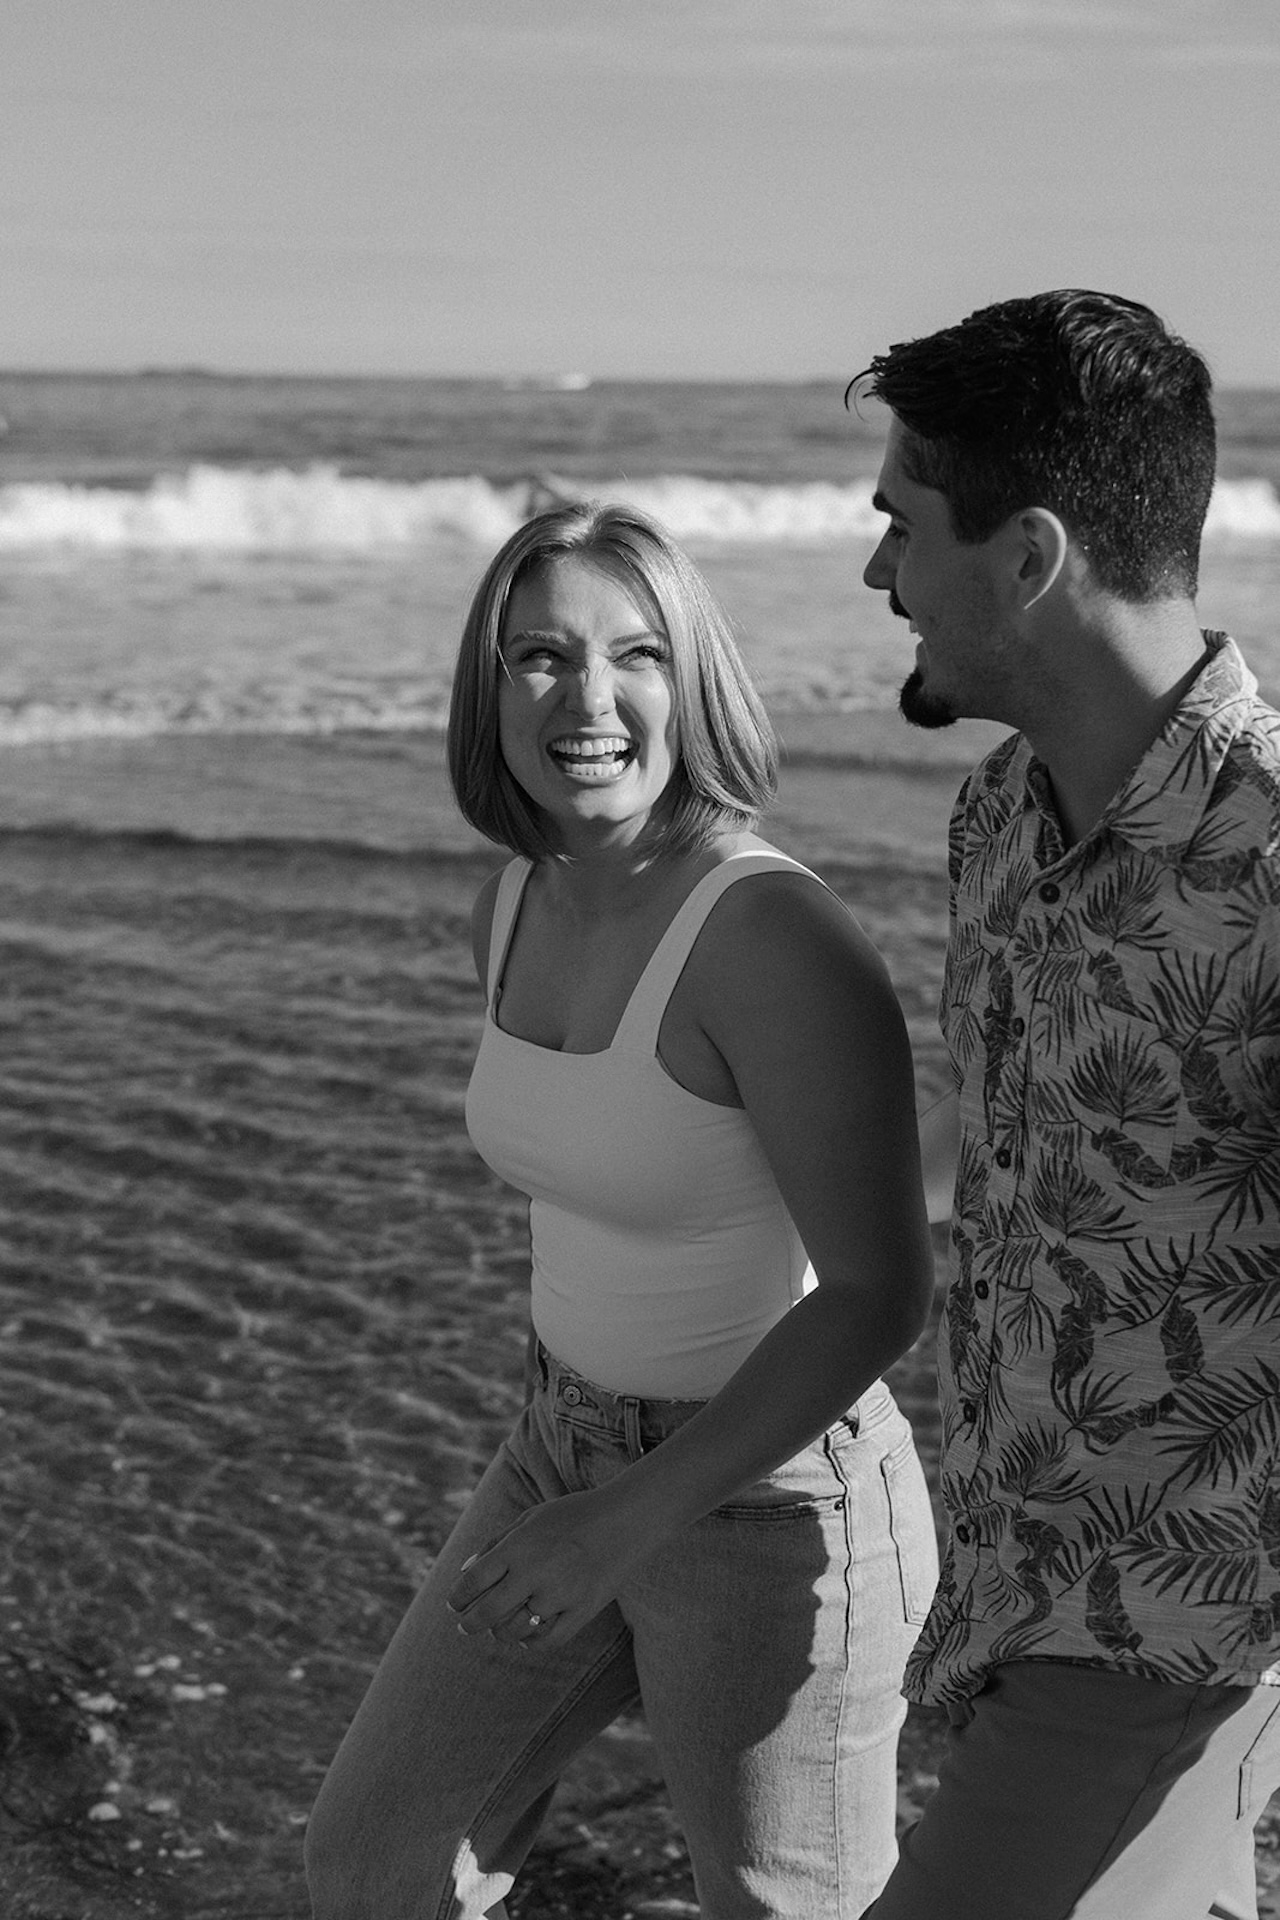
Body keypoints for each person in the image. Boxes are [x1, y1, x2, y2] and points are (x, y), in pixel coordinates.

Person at [303, 501, 939, 1920]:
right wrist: (587, 1501)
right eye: (540, 657)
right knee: (373, 1866)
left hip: (773, 1507)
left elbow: (881, 1294)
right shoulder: (513, 904)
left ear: (691, 681)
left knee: (782, 1908)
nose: (589, 700)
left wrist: (627, 1521)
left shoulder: (769, 933)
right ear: (491, 687)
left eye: (635, 652)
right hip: (560, 1450)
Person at [854, 289, 1280, 1920]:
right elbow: (1021, 1157)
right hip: (1016, 1595)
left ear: (1028, 557)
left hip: (1173, 1636)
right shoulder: (1001, 819)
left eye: (900, 524)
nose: (877, 573)